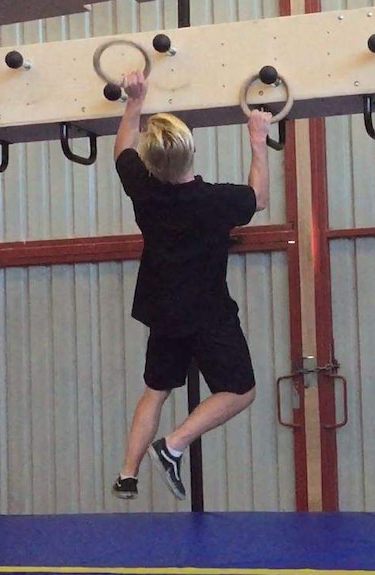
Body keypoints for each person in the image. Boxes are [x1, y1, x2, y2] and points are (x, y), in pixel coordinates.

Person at [110, 70, 272, 501]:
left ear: (150, 163)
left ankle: (127, 474)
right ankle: (174, 444)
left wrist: (135, 101)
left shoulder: (144, 192)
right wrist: (258, 138)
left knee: (156, 390)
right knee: (240, 391)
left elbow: (121, 148)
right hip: (206, 312)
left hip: (163, 310)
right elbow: (259, 197)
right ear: (192, 154)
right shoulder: (216, 201)